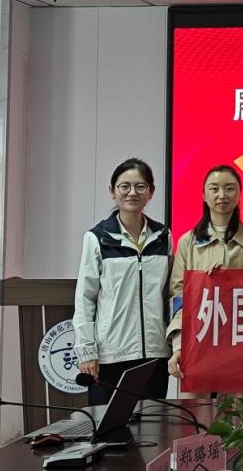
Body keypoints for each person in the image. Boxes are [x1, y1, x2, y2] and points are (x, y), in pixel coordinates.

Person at [73, 158, 172, 405]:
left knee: (152, 424)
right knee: (108, 424)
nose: (132, 193)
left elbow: (171, 294)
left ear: (151, 192)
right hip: (110, 354)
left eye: (140, 186)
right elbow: (85, 299)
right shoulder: (97, 238)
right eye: (124, 186)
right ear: (112, 191)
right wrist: (87, 350)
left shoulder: (163, 236)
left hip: (155, 352)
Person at [166, 165, 243, 395]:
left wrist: (234, 282)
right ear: (204, 195)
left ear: (239, 194)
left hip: (242, 344)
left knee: (241, 413)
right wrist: (179, 345)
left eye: (229, 188)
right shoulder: (188, 242)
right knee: (194, 412)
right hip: (198, 343)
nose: (222, 195)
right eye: (214, 188)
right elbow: (178, 296)